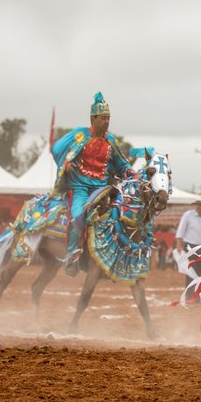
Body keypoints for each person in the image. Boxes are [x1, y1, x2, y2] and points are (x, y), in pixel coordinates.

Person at [52, 92, 132, 276]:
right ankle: (71, 257)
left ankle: (118, 256)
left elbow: (122, 164)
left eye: (108, 118)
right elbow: (56, 149)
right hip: (79, 188)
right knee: (78, 216)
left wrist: (132, 173)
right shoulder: (79, 135)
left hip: (102, 188)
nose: (107, 122)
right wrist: (66, 163)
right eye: (103, 118)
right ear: (93, 118)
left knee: (120, 215)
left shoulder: (111, 141)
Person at [175, 200, 201, 300]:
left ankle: (198, 296)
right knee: (191, 271)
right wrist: (179, 243)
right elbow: (181, 229)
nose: (199, 207)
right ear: (195, 206)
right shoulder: (188, 215)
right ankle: (189, 296)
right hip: (189, 245)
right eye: (198, 205)